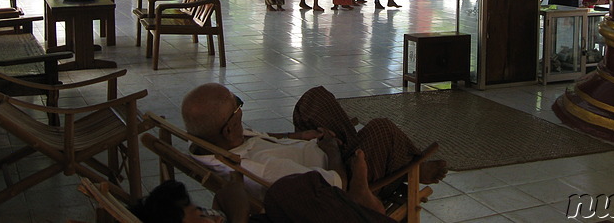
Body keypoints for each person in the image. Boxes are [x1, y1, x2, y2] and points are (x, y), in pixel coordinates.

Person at [181, 84, 447, 202]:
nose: (241, 108)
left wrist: (297, 137)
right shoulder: (263, 170)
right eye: (237, 106)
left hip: (317, 151)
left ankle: (390, 157)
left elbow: (262, 140)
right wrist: (331, 150)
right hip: (344, 176)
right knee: (381, 128)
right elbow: (336, 185)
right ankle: (413, 168)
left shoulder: (213, 145)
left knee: (313, 99)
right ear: (228, 128)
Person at [132, 154, 394, 223]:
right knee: (287, 192)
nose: (209, 215)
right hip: (332, 181)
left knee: (287, 192)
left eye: (201, 209)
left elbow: (231, 193)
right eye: (200, 216)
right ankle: (366, 201)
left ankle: (363, 202)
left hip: (327, 188)